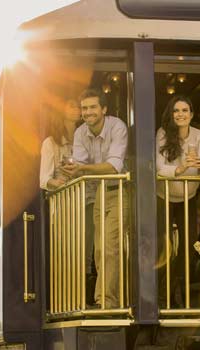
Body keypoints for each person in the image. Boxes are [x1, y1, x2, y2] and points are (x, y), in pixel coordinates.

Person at [62, 88, 129, 309]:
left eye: (92, 107)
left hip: (120, 189)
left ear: (104, 109)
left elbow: (113, 166)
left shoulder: (117, 126)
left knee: (111, 247)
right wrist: (75, 169)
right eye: (84, 108)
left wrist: (82, 169)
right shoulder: (81, 132)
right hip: (99, 192)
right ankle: (104, 299)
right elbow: (78, 166)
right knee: (100, 249)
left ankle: (108, 303)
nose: (88, 112)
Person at [156, 95, 200, 308]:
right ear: (171, 115)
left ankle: (171, 289)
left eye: (184, 110)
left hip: (188, 197)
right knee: (162, 248)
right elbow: (159, 168)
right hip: (164, 196)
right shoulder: (163, 134)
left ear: (191, 114)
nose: (180, 114)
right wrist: (179, 170)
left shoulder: (198, 136)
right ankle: (161, 296)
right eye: (176, 111)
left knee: (189, 247)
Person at [39, 99, 97, 305]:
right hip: (65, 205)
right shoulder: (50, 143)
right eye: (72, 105)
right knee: (68, 253)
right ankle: (68, 300)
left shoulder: (87, 138)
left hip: (89, 200)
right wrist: (60, 182)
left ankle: (85, 299)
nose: (78, 110)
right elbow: (44, 180)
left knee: (88, 252)